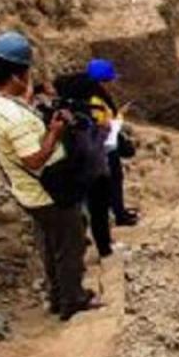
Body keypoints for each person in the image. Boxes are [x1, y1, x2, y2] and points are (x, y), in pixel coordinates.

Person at [0, 31, 100, 321]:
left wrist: (33, 99)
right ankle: (73, 300)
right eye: (26, 73)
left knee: (50, 243)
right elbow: (33, 160)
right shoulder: (15, 119)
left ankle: (58, 296)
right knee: (70, 243)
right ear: (16, 77)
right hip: (49, 192)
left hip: (29, 193)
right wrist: (54, 133)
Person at [53, 71, 114, 258]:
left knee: (80, 210)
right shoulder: (85, 115)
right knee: (98, 211)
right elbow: (90, 147)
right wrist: (104, 132)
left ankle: (83, 243)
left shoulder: (62, 113)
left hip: (72, 171)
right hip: (92, 170)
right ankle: (104, 249)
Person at [86, 59, 138, 228]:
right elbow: (103, 128)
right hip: (105, 149)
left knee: (116, 180)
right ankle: (118, 215)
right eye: (109, 80)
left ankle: (119, 210)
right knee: (112, 181)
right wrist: (119, 119)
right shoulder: (95, 101)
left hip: (107, 147)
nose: (112, 84)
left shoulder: (98, 97)